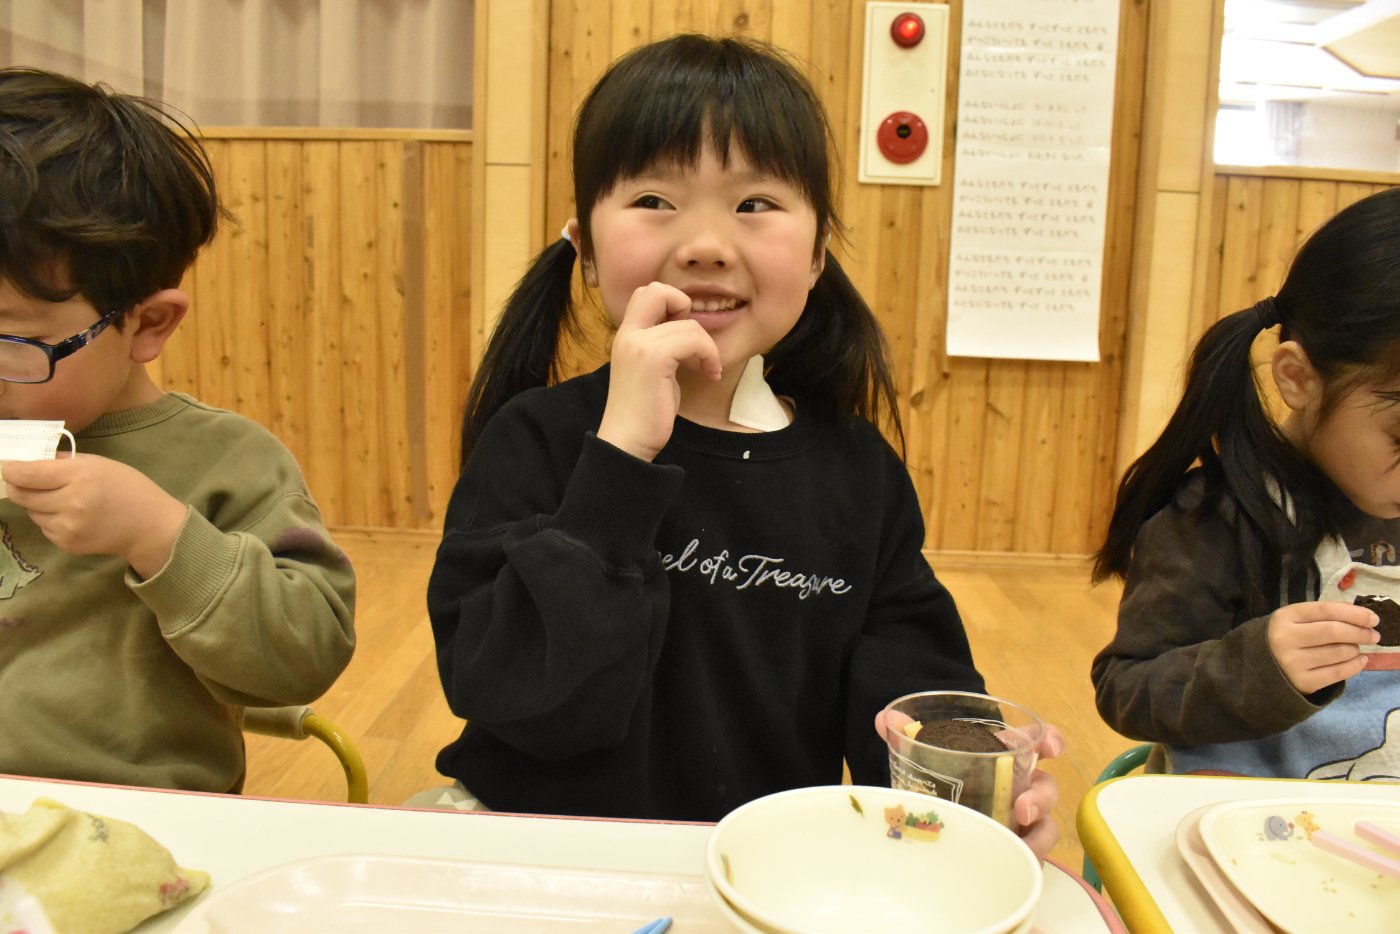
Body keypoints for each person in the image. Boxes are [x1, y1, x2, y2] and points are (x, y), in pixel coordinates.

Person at [426, 34, 1061, 852]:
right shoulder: (535, 440)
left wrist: (975, 782)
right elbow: (514, 692)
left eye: (754, 203)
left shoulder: (858, 473)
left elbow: (905, 699)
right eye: (653, 199)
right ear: (583, 250)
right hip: (540, 854)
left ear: (819, 252)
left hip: (758, 868)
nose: (706, 244)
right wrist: (619, 460)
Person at [0, 68, 356, 793]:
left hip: (132, 820)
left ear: (147, 323)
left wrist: (158, 534)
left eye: (13, 344)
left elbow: (305, 656)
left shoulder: (226, 463)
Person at [1091, 186, 1400, 780]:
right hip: (1240, 823)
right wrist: (1256, 668)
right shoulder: (1215, 517)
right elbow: (1126, 689)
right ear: (1298, 378)